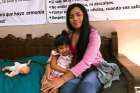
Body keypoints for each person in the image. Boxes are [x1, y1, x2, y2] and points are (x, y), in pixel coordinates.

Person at [41, 3, 120, 93]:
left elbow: (86, 62)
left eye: (78, 15)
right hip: (74, 69)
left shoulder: (93, 34)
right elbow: (56, 52)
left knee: (86, 87)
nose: (75, 18)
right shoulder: (68, 34)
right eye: (71, 16)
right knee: (66, 90)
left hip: (93, 68)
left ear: (84, 16)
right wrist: (47, 72)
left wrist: (61, 80)